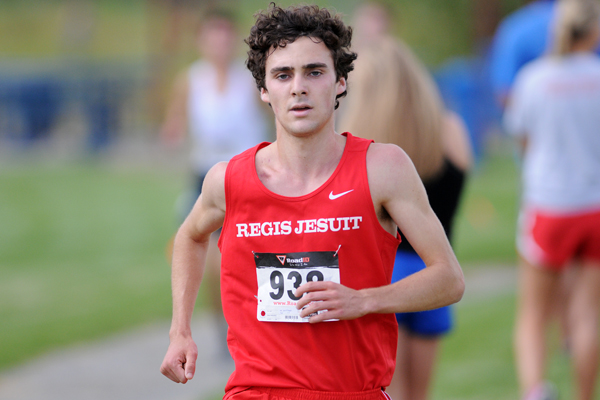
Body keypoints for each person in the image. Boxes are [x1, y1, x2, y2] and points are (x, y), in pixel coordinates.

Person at [160, 4, 465, 399]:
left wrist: (364, 300)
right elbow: (190, 236)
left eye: (314, 72)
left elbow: (449, 279)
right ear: (264, 90)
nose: (298, 87)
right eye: (283, 75)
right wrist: (180, 331)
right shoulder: (228, 180)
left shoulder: (383, 168)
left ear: (340, 82)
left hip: (352, 390)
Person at [340, 37, 472, 400]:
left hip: (383, 277)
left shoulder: (363, 145)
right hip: (434, 273)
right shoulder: (450, 131)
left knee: (387, 392)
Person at [503, 1, 600, 399]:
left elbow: (523, 140)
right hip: (594, 207)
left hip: (549, 205)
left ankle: (535, 390)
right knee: (588, 312)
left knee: (533, 314)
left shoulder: (534, 79)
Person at [160, 6, 269, 353]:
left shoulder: (250, 79)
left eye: (225, 35)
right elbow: (174, 124)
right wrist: (172, 133)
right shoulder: (190, 80)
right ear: (201, 41)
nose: (220, 43)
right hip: (205, 177)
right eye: (213, 36)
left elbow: (274, 115)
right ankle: (223, 325)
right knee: (208, 261)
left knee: (251, 257)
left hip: (246, 174)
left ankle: (256, 325)